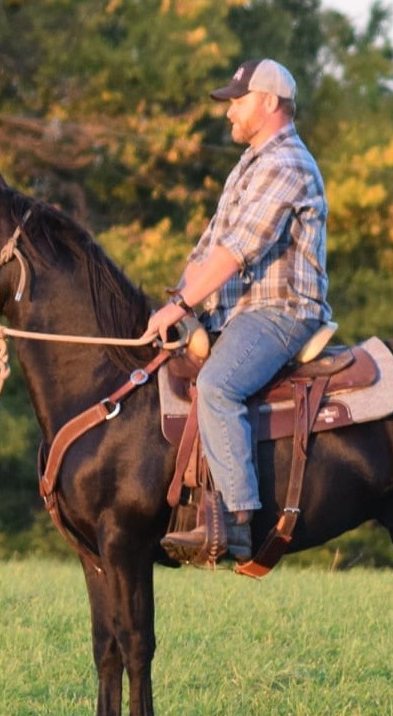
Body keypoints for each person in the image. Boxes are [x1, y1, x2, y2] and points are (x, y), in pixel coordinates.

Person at [142, 58, 331, 564]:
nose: (229, 112)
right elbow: (209, 246)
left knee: (217, 386)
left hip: (280, 311)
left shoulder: (286, 163)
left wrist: (182, 303)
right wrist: (175, 306)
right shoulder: (250, 163)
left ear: (269, 103)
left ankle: (237, 523)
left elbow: (235, 252)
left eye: (238, 101)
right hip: (238, 312)